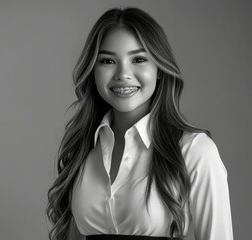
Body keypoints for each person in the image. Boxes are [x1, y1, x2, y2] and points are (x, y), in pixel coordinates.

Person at [47, 7, 233, 240]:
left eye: (139, 59)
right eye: (107, 60)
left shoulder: (195, 151)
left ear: (159, 70)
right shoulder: (83, 148)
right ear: (92, 70)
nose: (123, 74)